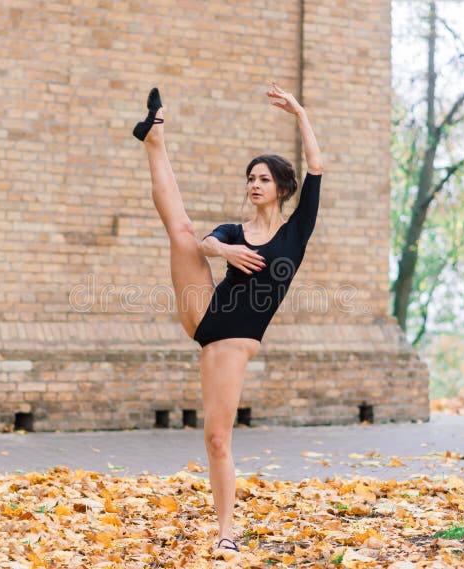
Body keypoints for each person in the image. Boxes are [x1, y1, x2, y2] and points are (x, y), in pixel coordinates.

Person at [133, 82, 323, 558]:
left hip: (234, 340)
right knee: (183, 230)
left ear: (281, 187)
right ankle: (155, 138)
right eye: (250, 178)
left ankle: (226, 531)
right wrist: (225, 249)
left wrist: (299, 112)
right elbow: (202, 244)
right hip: (208, 312)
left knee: (218, 437)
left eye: (262, 179)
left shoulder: (295, 232)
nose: (253, 184)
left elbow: (316, 168)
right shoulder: (236, 231)